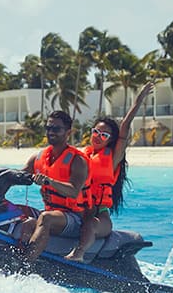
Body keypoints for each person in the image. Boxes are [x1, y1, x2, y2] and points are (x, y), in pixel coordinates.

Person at [65, 82, 154, 262]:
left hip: (99, 214)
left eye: (104, 135)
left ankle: (78, 255)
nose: (98, 137)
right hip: (76, 210)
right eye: (96, 132)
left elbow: (124, 128)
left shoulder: (113, 158)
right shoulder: (81, 156)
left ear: (110, 140)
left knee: (90, 224)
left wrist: (138, 100)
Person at [19, 110, 89, 261]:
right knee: (21, 215)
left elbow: (73, 191)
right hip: (52, 212)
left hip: (74, 218)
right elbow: (19, 174)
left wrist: (49, 181)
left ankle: (26, 265)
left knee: (46, 218)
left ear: (68, 132)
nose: (51, 132)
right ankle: (16, 257)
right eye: (48, 128)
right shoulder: (38, 157)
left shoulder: (77, 160)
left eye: (56, 129)